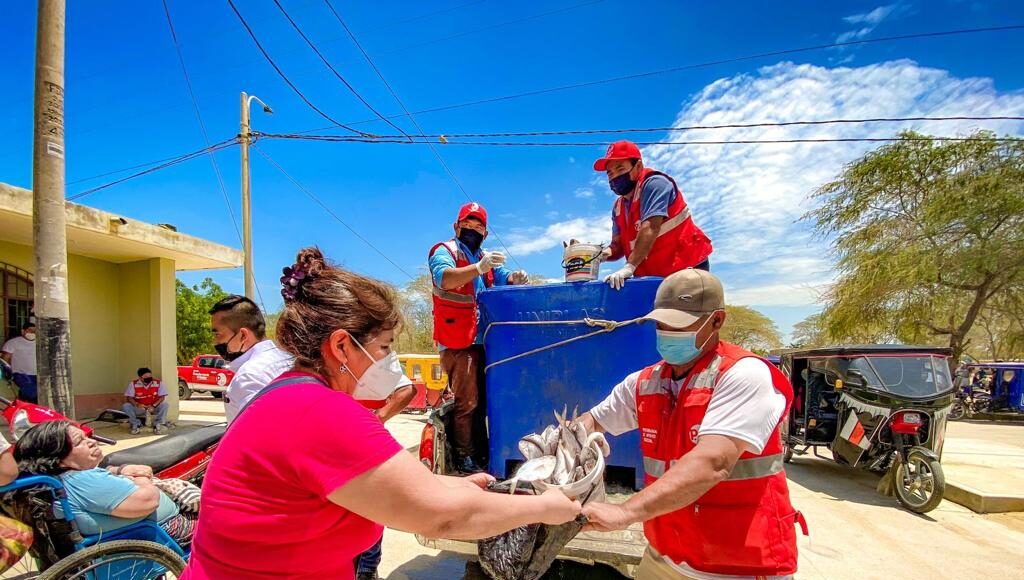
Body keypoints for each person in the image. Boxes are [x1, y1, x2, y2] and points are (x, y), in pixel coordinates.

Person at [181, 247, 579, 580]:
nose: (387, 362)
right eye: (385, 347)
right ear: (341, 347)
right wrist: (546, 507)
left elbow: (394, 485)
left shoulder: (287, 394)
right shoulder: (321, 412)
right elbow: (439, 519)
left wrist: (462, 485)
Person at [577, 269, 804, 579]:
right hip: (666, 557)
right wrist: (560, 448)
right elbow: (591, 421)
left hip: (737, 567)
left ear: (717, 321)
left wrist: (624, 511)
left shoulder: (744, 375)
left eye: (680, 324)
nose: (668, 331)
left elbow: (713, 462)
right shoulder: (644, 382)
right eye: (661, 323)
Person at [429, 202, 529, 473]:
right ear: (456, 226)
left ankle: (482, 452)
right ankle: (464, 457)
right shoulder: (445, 251)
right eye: (468, 225)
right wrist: (478, 267)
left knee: (486, 401)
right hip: (458, 342)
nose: (472, 230)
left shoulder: (485, 259)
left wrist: (516, 278)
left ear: (485, 233)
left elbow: (505, 278)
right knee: (467, 403)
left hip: (485, 341)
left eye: (478, 227)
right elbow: (444, 278)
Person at [13, 420, 197, 546]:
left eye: (86, 437)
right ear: (58, 457)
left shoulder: (63, 479)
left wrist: (120, 470)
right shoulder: (82, 481)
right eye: (80, 442)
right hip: (165, 529)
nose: (92, 442)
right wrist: (142, 477)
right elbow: (148, 501)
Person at [593, 140, 713, 290]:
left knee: (682, 312)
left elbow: (650, 226)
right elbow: (616, 246)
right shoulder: (618, 207)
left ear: (638, 166)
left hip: (687, 268)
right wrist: (595, 255)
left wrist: (629, 267)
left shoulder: (655, 184)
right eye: (610, 173)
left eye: (620, 169)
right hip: (654, 278)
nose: (614, 176)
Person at [354, 376, 416, 580]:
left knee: (370, 507)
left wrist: (376, 418)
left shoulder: (371, 357)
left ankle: (366, 569)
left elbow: (407, 389)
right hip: (337, 442)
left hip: (363, 441)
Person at [209, 295, 294, 424]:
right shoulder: (286, 358)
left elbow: (258, 437)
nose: (214, 342)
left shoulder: (250, 375)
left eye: (217, 334)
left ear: (243, 335)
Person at [123, 367, 168, 435]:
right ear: (140, 378)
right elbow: (130, 398)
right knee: (126, 406)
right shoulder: (133, 384)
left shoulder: (158, 383)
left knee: (165, 405)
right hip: (140, 408)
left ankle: (157, 424)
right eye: (146, 376)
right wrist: (137, 404)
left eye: (150, 376)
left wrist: (153, 406)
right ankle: (136, 424)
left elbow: (162, 397)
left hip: (153, 407)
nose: (149, 378)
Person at [1, 323, 37, 404]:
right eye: (30, 330)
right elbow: (5, 359)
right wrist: (8, 373)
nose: (32, 333)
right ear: (23, 331)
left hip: (37, 374)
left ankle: (22, 400)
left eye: (34, 331)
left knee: (39, 392)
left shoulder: (40, 342)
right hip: (20, 374)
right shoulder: (13, 343)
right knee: (32, 392)